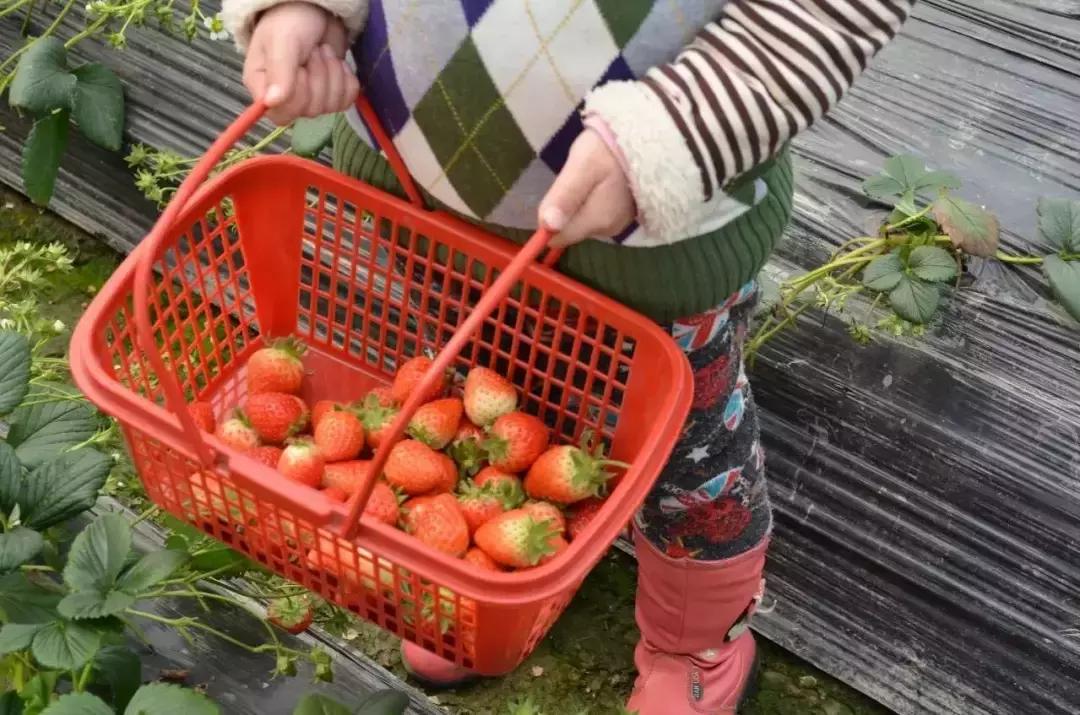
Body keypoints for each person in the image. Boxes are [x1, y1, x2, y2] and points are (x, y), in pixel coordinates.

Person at [219, 1, 914, 712]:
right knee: (496, 388)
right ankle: (510, 549)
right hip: (425, 181)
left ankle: (693, 637)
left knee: (689, 460)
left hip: (655, 227)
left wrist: (667, 137)